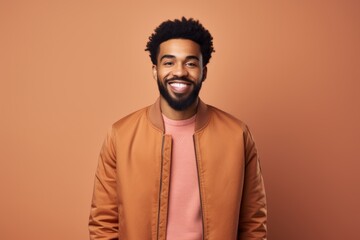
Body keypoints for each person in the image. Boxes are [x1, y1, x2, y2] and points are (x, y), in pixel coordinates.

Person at [89, 17, 267, 240]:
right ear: (155, 70)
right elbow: (103, 224)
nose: (180, 72)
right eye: (169, 62)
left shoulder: (237, 135)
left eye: (191, 63)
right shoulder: (121, 135)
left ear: (204, 71)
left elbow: (253, 224)